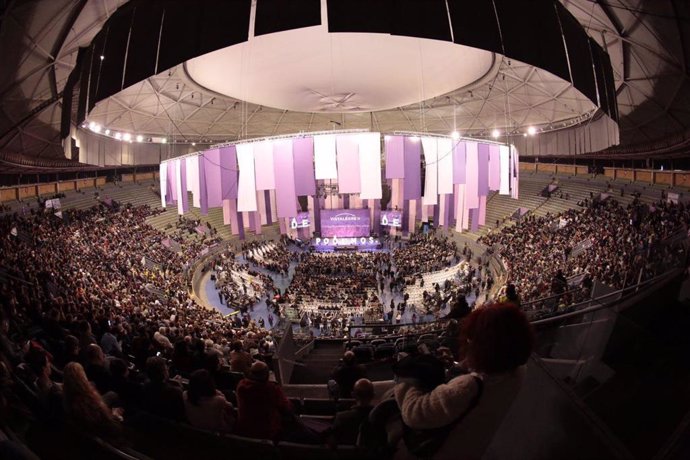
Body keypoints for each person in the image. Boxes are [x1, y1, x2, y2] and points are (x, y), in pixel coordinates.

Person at [392, 303, 534, 460]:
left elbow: (413, 413)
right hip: (474, 444)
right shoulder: (519, 371)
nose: (468, 343)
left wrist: (406, 375)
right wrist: (456, 366)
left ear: (484, 348)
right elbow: (484, 374)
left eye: (471, 340)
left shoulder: (468, 387)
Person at [62, 362, 122, 440]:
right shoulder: (87, 401)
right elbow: (106, 423)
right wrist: (116, 416)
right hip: (105, 434)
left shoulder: (67, 396)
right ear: (82, 377)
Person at [235, 361, 292, 440]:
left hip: (245, 429)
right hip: (267, 432)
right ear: (267, 374)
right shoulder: (271, 388)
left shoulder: (241, 385)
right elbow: (286, 407)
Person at [331, 378, 375, 446]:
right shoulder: (381, 419)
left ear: (353, 395)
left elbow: (334, 442)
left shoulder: (341, 418)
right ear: (373, 395)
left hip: (346, 456)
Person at [140, 356, 186, 422]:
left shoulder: (145, 386)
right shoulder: (175, 392)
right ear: (164, 372)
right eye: (166, 369)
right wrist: (179, 386)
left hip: (151, 422)